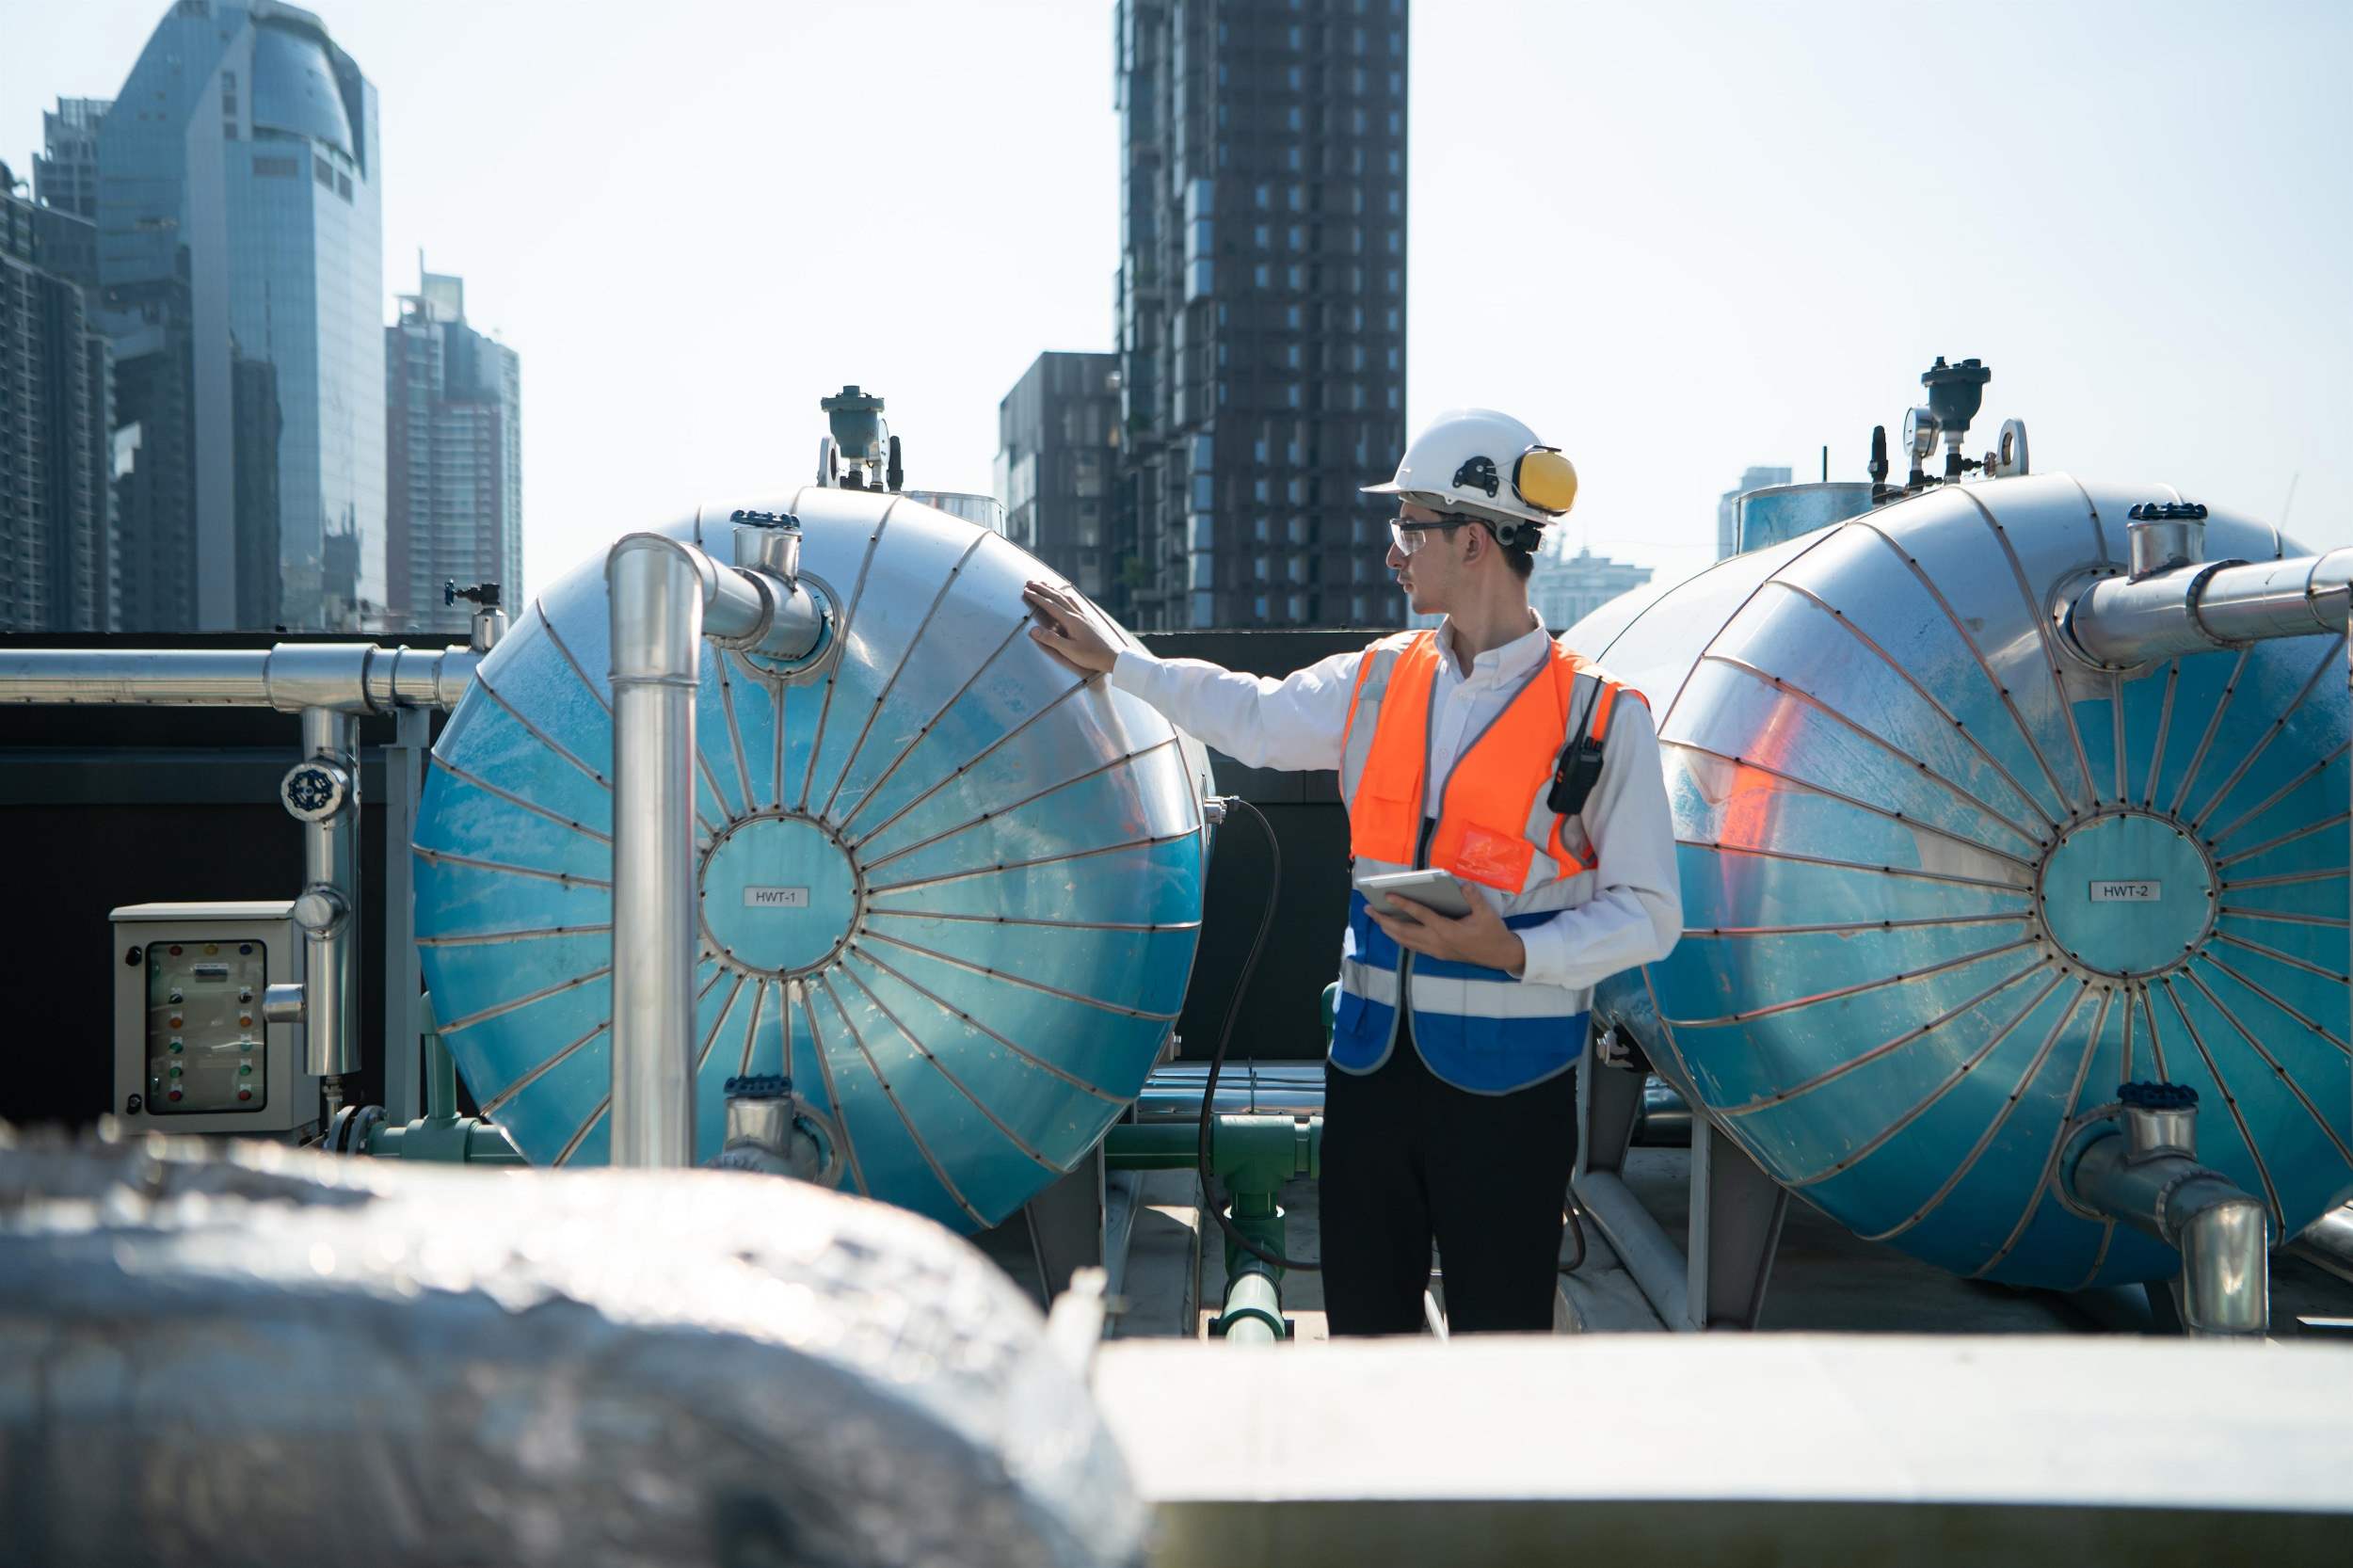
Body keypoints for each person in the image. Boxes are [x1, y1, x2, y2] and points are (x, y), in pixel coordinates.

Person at [1020, 408, 1681, 1335]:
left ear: (1475, 540)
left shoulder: (1603, 717)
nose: (1392, 550)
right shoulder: (1378, 678)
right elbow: (1249, 715)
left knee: (1503, 1338)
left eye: (1411, 525)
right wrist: (1124, 665)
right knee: (1368, 1327)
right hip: (1369, 1076)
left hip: (1509, 1097)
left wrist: (1516, 949)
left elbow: (1649, 914)